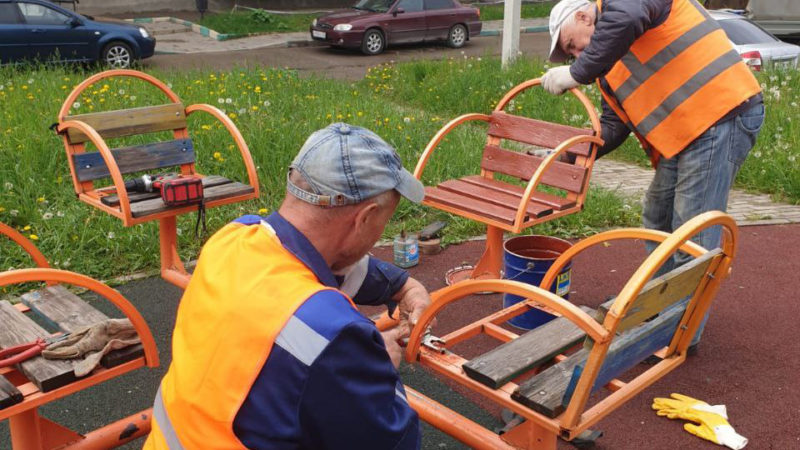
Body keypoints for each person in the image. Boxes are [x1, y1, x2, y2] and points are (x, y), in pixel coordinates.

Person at [144, 123, 428, 449]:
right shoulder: (332, 335)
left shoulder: (233, 239)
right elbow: (395, 440)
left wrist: (401, 284)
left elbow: (315, 260)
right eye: (384, 221)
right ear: (364, 218)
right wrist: (383, 369)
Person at [541, 0, 764, 350]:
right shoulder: (609, 70)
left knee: (691, 231)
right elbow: (613, 126)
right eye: (571, 55)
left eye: (572, 45)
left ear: (584, 16)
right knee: (657, 216)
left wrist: (576, 73)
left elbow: (627, 17)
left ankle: (679, 334)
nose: (575, 55)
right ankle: (657, 308)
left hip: (721, 114)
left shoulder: (623, 6)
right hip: (687, 136)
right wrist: (565, 155)